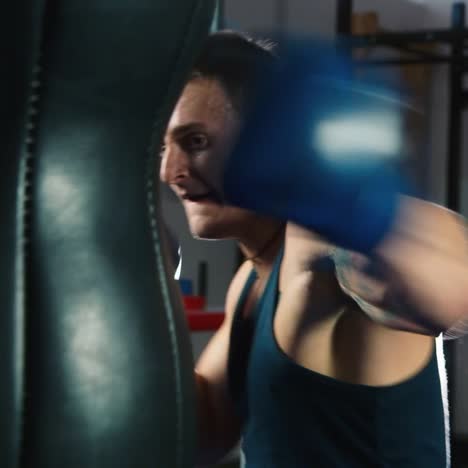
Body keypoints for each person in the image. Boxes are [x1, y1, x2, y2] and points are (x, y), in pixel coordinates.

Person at [159, 30, 468, 468]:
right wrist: (144, 288)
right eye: (163, 147)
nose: (171, 172)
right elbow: (202, 432)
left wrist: (359, 211)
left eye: (196, 142)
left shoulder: (317, 250)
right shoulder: (251, 279)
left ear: (264, 135)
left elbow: (457, 286)